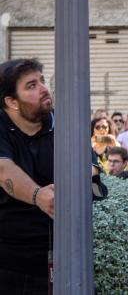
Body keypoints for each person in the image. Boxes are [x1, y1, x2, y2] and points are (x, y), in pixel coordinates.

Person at [0, 59, 55, 295]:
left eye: (42, 80)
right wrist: (38, 195)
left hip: (56, 254)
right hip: (8, 260)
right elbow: (4, 170)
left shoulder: (61, 122)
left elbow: (91, 166)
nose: (43, 88)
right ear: (11, 102)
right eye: (31, 85)